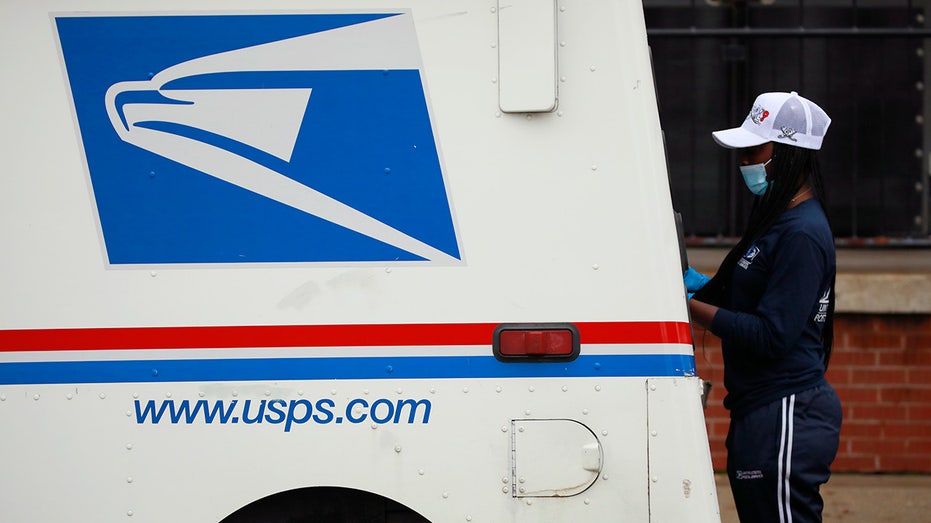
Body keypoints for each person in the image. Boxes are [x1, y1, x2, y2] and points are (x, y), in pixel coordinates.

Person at [684, 91, 843, 523]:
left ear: (789, 154)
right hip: (760, 410)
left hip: (786, 409)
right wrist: (700, 286)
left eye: (753, 151)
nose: (744, 162)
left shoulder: (802, 234)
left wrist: (688, 306)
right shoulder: (776, 219)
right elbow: (744, 290)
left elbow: (772, 336)